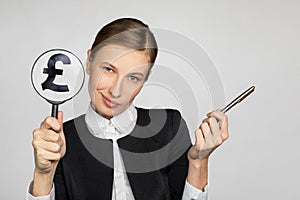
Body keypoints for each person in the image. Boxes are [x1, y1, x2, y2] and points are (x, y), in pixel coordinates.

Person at [26, 18, 229, 200]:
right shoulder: (63, 139)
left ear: (144, 81)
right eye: (108, 69)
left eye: (133, 78)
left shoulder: (169, 126)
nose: (116, 91)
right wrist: (43, 174)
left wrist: (198, 162)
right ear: (89, 62)